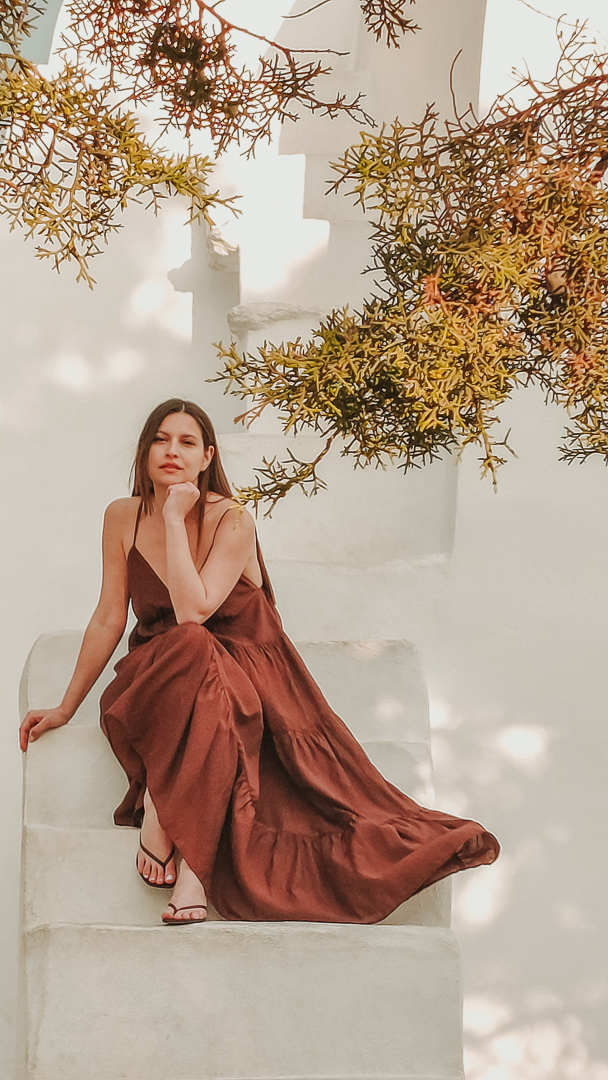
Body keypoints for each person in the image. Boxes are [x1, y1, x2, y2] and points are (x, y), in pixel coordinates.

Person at [19, 398, 499, 926]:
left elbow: (193, 611)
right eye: (161, 439)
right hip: (165, 667)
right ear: (145, 451)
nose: (172, 451)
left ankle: (181, 845)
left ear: (207, 456)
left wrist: (175, 519)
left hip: (248, 666)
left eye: (187, 442)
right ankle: (177, 833)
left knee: (197, 650)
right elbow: (110, 614)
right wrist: (65, 707)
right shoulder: (121, 516)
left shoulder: (232, 519)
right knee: (188, 650)